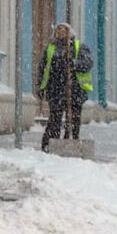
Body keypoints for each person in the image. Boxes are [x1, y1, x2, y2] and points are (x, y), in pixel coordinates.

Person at [37, 22, 93, 152]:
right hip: (55, 89)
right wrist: (40, 86)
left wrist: (74, 64)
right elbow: (43, 68)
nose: (60, 33)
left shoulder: (79, 47)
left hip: (74, 89)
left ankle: (72, 141)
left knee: (73, 119)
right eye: (58, 31)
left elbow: (88, 63)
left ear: (69, 33)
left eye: (63, 31)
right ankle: (50, 145)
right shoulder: (51, 48)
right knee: (54, 119)